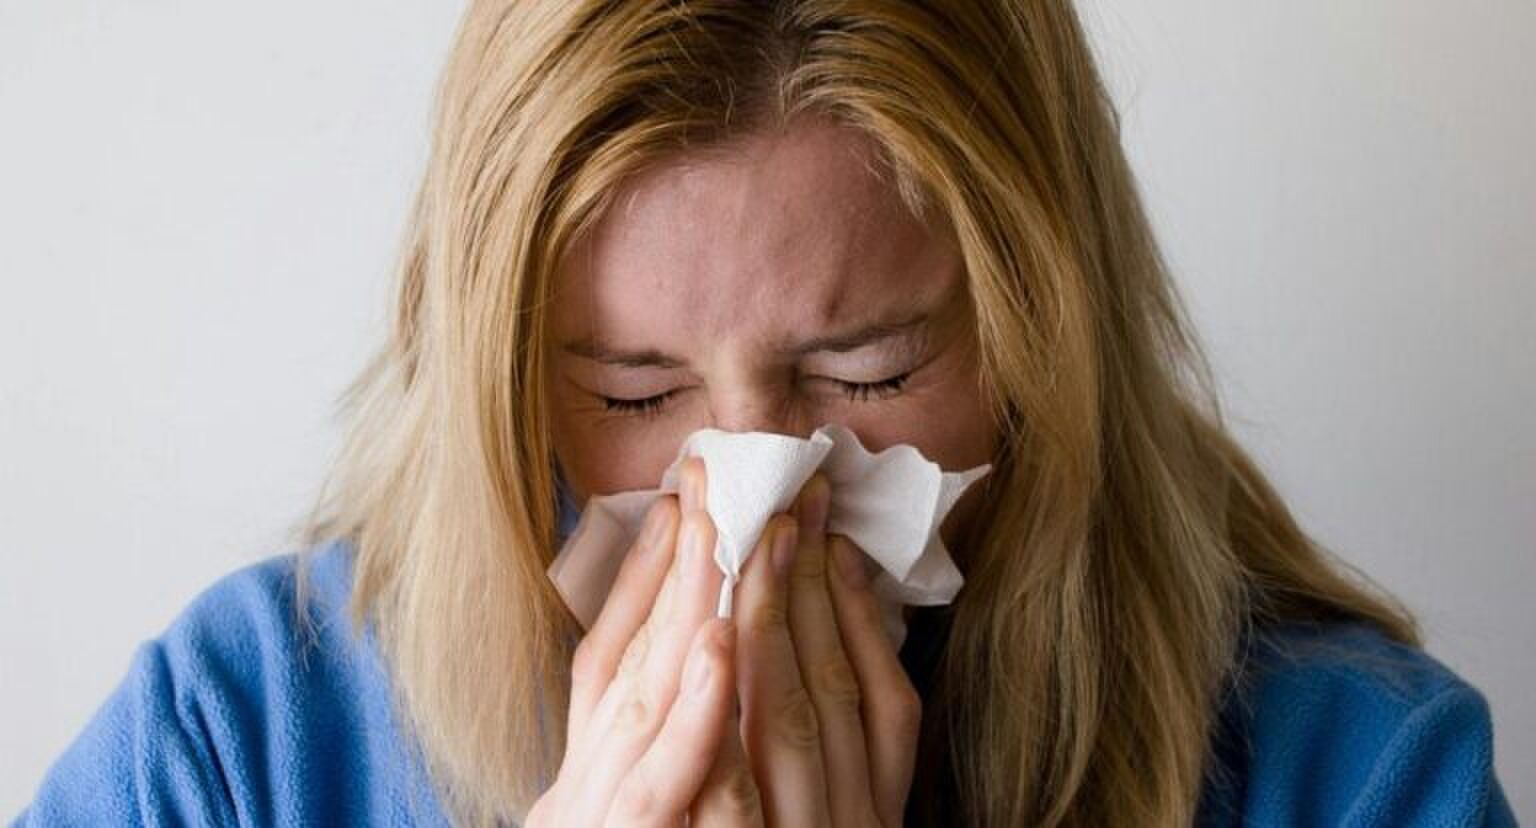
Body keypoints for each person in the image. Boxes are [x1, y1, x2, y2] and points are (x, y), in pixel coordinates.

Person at [14, 1, 1518, 826]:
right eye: (631, 390)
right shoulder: (237, 744)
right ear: (499, 375)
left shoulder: (1358, 776)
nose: (754, 493)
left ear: (1042, 340)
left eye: (869, 375)